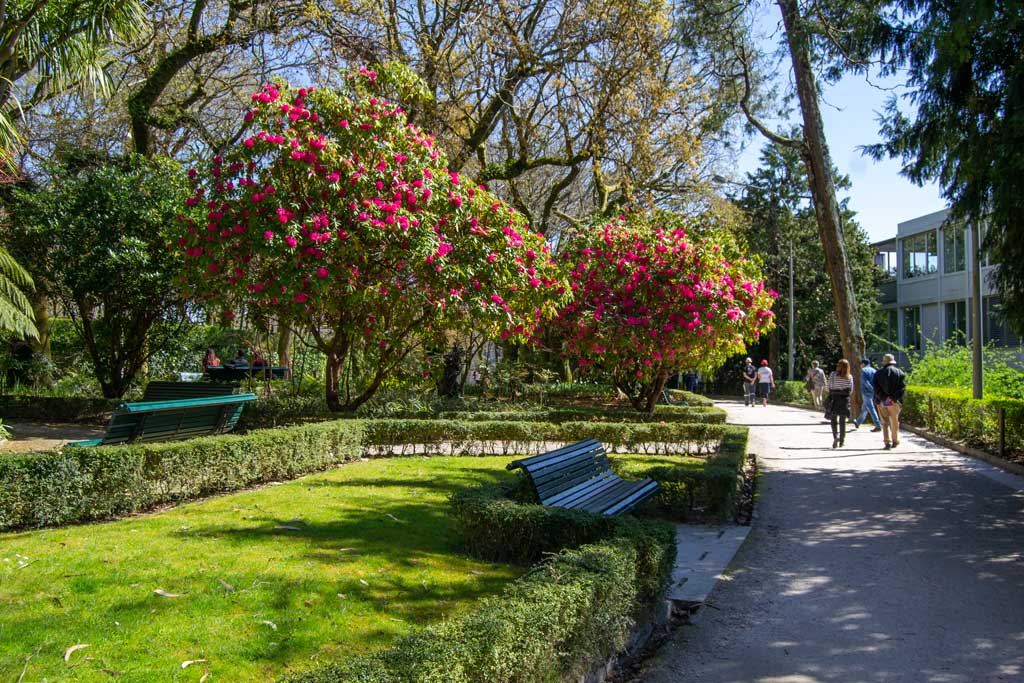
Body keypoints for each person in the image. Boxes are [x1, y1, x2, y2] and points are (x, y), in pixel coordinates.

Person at [872, 353, 907, 450]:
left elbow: (876, 388)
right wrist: (892, 398)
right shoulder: (900, 373)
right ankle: (895, 440)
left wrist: (884, 397)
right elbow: (902, 389)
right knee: (894, 421)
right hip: (894, 401)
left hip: (881, 401)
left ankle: (887, 442)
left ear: (884, 362)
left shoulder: (878, 373)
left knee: (884, 422)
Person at [826, 359, 854, 448]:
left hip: (834, 399)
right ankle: (842, 441)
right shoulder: (849, 376)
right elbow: (851, 390)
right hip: (844, 400)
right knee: (842, 421)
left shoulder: (833, 375)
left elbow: (828, 387)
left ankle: (835, 436)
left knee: (833, 420)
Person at [852, 358, 882, 432]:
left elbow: (865, 382)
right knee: (865, 408)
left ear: (863, 364)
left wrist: (871, 389)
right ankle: (858, 422)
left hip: (866, 392)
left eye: (861, 364)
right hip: (872, 392)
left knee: (871, 408)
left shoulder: (863, 370)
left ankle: (878, 425)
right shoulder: (874, 370)